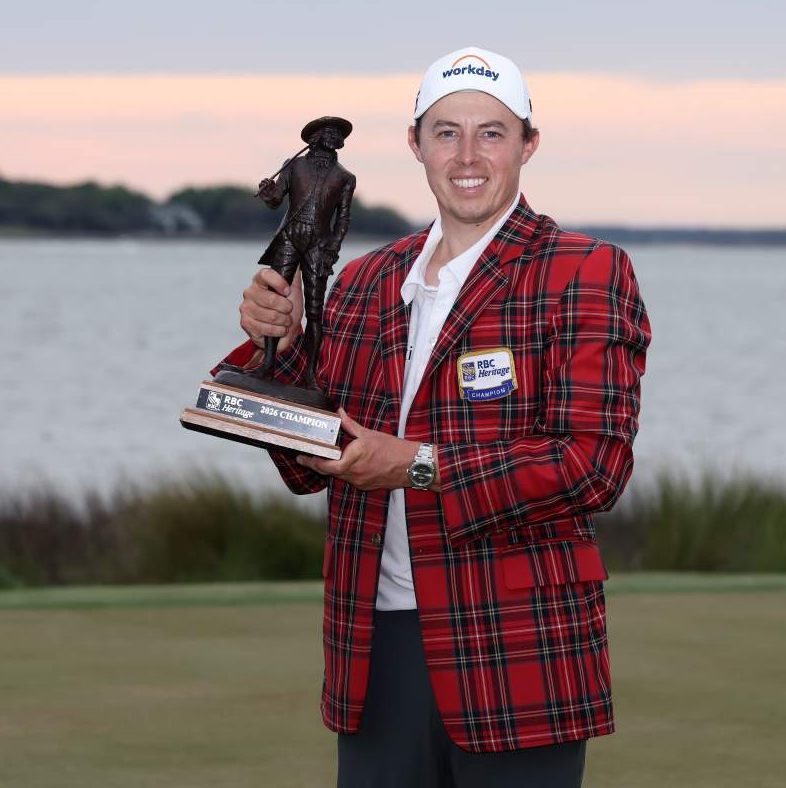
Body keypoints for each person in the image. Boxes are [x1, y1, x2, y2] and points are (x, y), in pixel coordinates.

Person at [218, 46, 651, 788]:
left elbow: (592, 466)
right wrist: (280, 346)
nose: (468, 156)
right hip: (374, 651)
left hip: (517, 653)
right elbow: (306, 464)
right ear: (416, 145)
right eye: (446, 133)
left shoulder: (584, 270)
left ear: (528, 145)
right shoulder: (364, 281)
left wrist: (416, 465)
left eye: (492, 133)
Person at [255, 116, 356, 386]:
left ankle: (311, 374)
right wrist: (268, 191)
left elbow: (343, 220)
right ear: (316, 137)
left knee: (314, 311)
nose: (335, 138)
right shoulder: (294, 165)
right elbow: (276, 200)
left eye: (338, 135)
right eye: (330, 133)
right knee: (275, 299)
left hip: (319, 245)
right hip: (290, 236)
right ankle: (267, 364)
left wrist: (332, 250)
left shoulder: (345, 177)